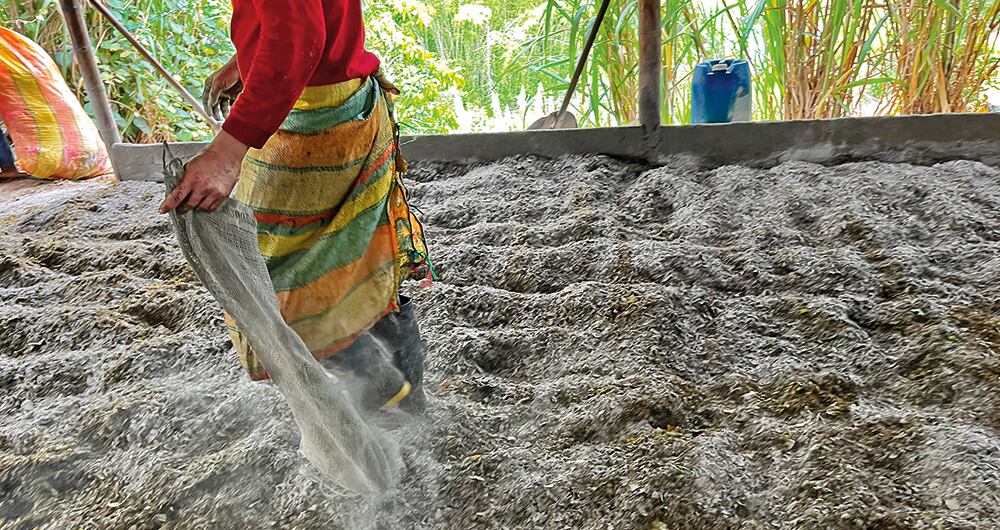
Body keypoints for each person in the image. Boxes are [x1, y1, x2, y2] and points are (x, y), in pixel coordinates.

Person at [159, 0, 432, 414]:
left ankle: (383, 389)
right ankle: (407, 400)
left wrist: (227, 153)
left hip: (317, 122)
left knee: (268, 283)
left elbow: (298, 39)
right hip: (348, 106)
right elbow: (302, 18)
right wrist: (247, 57)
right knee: (354, 260)